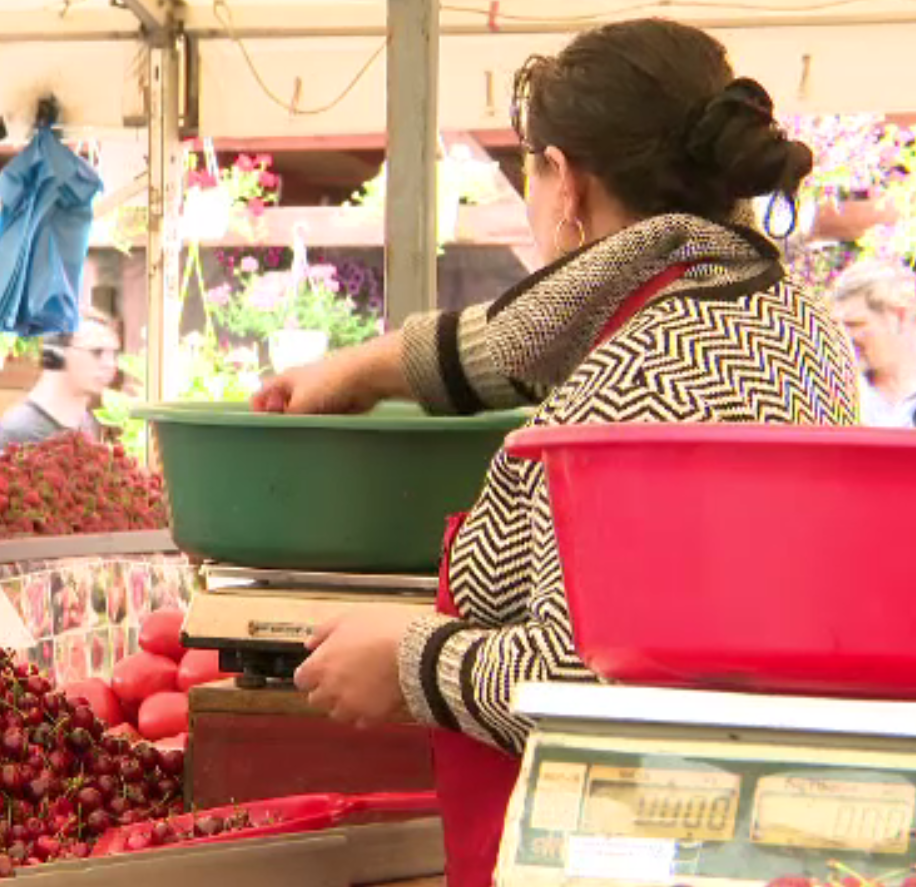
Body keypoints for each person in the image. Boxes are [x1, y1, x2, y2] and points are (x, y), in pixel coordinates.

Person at [254, 19, 859, 887]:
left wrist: (409, 658)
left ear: (562, 180)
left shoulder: (640, 385)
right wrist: (362, 368)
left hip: (656, 848)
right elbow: (536, 330)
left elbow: (604, 687)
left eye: (527, 166)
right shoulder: (785, 314)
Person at [0, 308, 119, 452]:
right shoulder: (17, 432)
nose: (110, 364)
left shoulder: (87, 423)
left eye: (114, 354)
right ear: (58, 355)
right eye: (97, 352)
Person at [828, 260, 916, 427]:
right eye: (838, 327)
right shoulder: (836, 396)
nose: (844, 337)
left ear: (899, 316)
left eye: (854, 324)